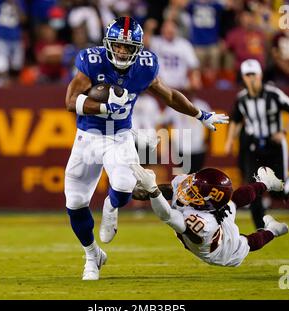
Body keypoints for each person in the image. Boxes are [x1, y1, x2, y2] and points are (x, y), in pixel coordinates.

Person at [64, 16, 229, 280]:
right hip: (88, 135)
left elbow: (171, 95)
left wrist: (200, 114)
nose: (121, 51)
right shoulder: (91, 61)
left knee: (124, 187)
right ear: (108, 44)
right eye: (117, 46)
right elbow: (71, 101)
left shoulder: (145, 66)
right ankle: (92, 255)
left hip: (119, 136)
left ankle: (110, 207)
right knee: (74, 202)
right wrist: (106, 107)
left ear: (137, 49)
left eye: (127, 48)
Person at [131, 164, 289, 267]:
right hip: (213, 211)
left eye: (193, 192)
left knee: (244, 243)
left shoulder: (204, 223)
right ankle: (267, 183)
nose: (186, 190)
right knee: (232, 202)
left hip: (218, 250)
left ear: (208, 202)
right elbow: (171, 189)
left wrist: (152, 190)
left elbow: (167, 215)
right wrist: (143, 191)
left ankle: (273, 231)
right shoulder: (203, 197)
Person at [224, 59, 289, 229]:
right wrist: (230, 140)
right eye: (247, 75)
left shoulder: (273, 94)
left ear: (260, 75)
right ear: (243, 78)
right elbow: (236, 120)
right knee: (252, 190)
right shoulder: (242, 99)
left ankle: (287, 182)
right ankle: (260, 228)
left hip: (274, 145)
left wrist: (284, 132)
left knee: (279, 192)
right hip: (254, 146)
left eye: (254, 74)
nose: (251, 78)